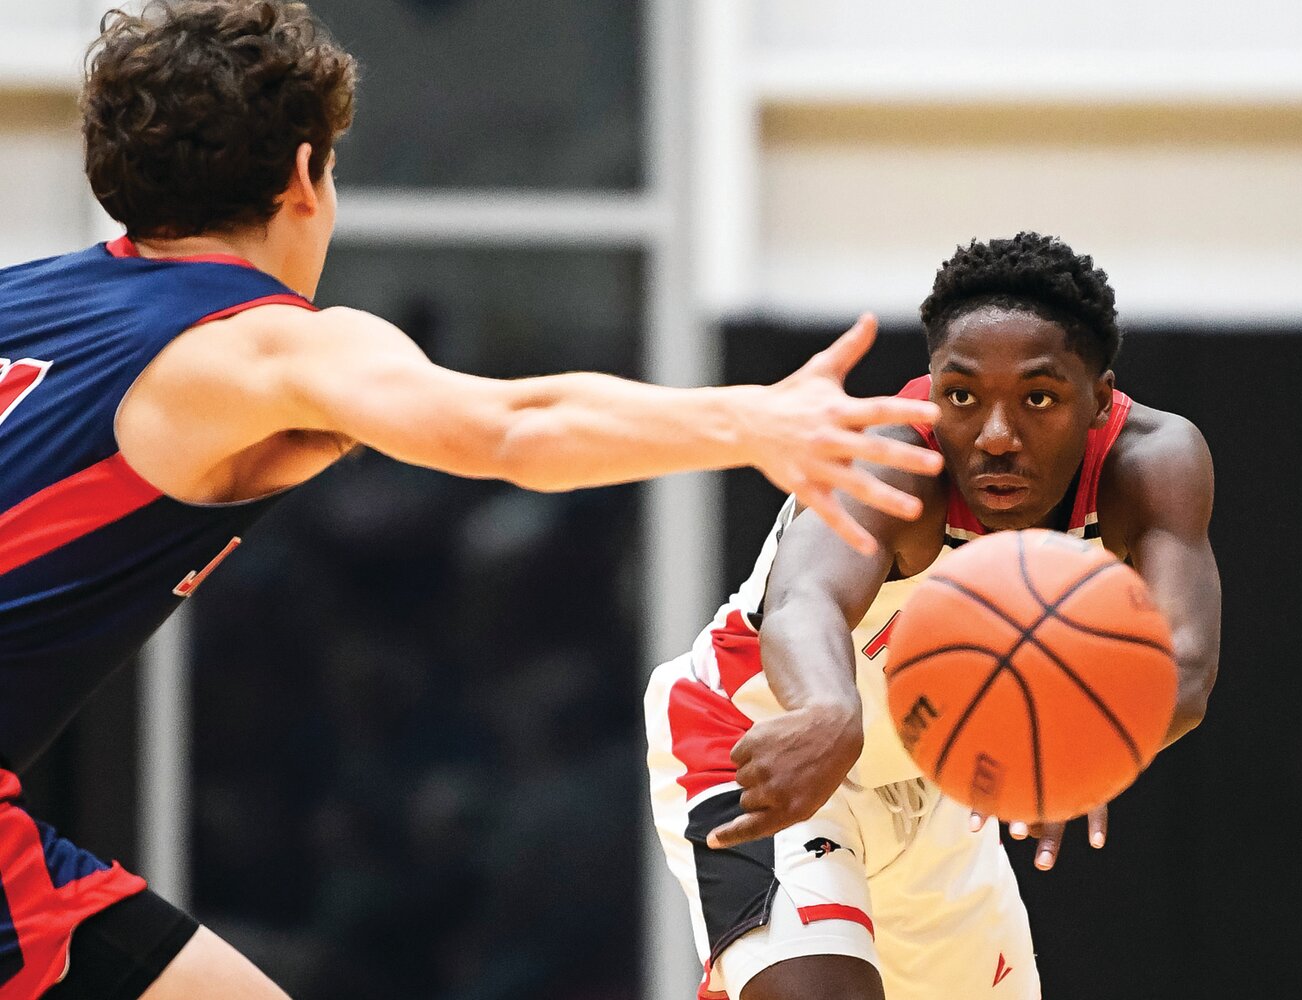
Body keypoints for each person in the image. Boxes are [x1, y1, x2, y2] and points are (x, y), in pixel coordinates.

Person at [0, 3, 944, 998]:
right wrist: (752, 421)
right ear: (306, 174)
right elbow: (513, 427)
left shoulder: (22, 299)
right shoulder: (268, 342)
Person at [646, 233, 1221, 1000]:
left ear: (1099, 398)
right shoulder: (893, 458)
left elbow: (1181, 665)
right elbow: (803, 598)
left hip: (942, 777)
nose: (995, 436)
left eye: (1039, 398)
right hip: (766, 740)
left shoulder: (1151, 462)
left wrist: (1094, 738)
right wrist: (827, 705)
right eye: (962, 395)